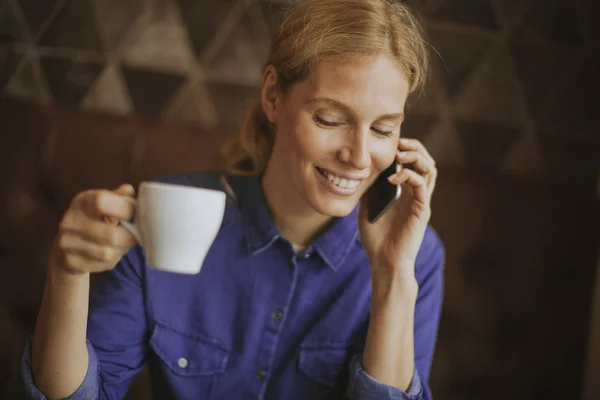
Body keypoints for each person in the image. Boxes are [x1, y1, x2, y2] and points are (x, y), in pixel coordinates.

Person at [21, 0, 444, 399]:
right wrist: (67, 273)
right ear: (273, 96)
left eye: (384, 130)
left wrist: (392, 275)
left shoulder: (415, 257)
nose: (358, 156)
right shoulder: (164, 215)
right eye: (329, 119)